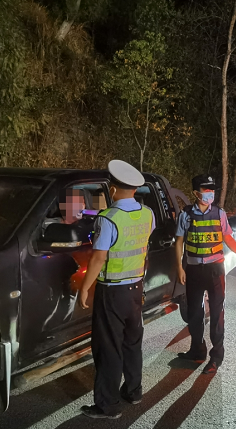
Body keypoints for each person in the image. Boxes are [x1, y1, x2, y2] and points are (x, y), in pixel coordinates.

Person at [78, 160, 154, 419]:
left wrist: (85, 288)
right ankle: (133, 391)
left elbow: (98, 258)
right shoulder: (148, 214)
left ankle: (108, 405)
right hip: (135, 289)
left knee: (108, 347)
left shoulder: (108, 218)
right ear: (135, 189)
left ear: (112, 189)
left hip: (112, 292)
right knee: (132, 342)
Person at [175, 174, 236, 374]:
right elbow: (179, 242)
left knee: (217, 314)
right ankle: (197, 350)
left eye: (212, 190)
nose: (210, 193)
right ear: (196, 193)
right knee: (194, 314)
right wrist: (179, 267)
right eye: (206, 190)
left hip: (215, 270)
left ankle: (216, 357)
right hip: (194, 269)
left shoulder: (219, 214)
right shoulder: (186, 214)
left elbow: (228, 238)